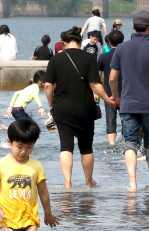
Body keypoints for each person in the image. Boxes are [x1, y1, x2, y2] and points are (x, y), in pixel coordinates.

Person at [44, 26, 117, 189]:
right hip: (84, 108)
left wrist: (51, 105)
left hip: (62, 108)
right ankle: (89, 181)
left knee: (66, 146)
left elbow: (48, 85)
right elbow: (95, 84)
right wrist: (108, 100)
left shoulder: (56, 59)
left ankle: (67, 183)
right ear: (79, 41)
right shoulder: (89, 58)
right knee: (86, 147)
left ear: (63, 43)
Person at [109, 10, 149, 192]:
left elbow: (112, 78)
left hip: (127, 104)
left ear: (133, 26)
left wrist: (116, 96)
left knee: (130, 143)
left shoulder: (121, 49)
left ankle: (133, 184)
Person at [98, 29, 124, 147]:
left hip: (109, 94)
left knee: (110, 120)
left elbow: (98, 77)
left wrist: (97, 94)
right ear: (122, 42)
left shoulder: (103, 57)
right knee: (126, 120)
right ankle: (125, 142)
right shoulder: (127, 57)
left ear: (109, 42)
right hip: (125, 93)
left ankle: (112, 145)